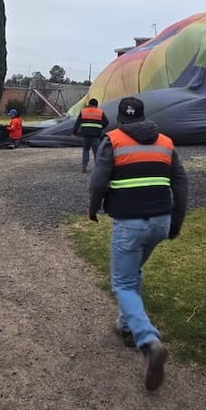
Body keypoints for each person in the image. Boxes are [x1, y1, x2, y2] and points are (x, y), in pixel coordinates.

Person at [89, 96, 188, 391]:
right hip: (160, 222)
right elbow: (180, 183)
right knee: (134, 272)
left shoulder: (113, 140)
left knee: (122, 283)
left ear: (121, 118)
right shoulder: (166, 143)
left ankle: (148, 339)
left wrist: (93, 208)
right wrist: (176, 222)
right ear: (144, 117)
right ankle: (127, 326)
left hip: (130, 223)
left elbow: (98, 181)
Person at [72, 98, 109, 173]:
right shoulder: (100, 112)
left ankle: (84, 166)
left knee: (85, 150)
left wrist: (74, 133)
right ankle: (97, 168)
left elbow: (77, 123)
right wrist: (100, 127)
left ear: (89, 104)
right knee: (96, 152)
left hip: (85, 135)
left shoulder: (83, 111)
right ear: (96, 105)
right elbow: (106, 122)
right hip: (96, 136)